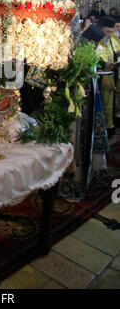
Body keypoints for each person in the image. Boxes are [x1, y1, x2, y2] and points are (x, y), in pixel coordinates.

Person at [59, 24, 110, 201]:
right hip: (74, 107)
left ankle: (80, 178)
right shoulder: (74, 50)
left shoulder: (84, 51)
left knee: (80, 141)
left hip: (85, 106)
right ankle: (71, 179)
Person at [96, 16, 120, 136]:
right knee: (104, 104)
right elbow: (95, 59)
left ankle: (110, 126)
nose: (110, 34)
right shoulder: (97, 41)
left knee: (110, 104)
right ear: (101, 30)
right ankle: (104, 128)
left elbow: (114, 53)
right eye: (108, 31)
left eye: (111, 32)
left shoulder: (109, 41)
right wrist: (105, 63)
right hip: (102, 77)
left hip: (111, 76)